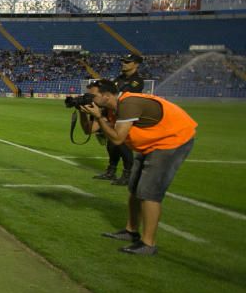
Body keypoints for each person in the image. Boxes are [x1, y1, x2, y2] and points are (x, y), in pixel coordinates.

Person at [80, 79, 196, 256]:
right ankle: (131, 231)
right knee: (134, 188)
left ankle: (148, 244)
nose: (89, 98)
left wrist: (99, 117)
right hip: (151, 143)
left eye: (92, 95)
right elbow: (89, 130)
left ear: (107, 95)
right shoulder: (109, 107)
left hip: (172, 140)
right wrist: (82, 112)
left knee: (149, 192)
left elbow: (118, 139)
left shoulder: (128, 104)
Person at [93, 53, 145, 186]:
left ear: (136, 64)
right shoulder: (118, 79)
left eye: (127, 62)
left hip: (127, 116)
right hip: (114, 115)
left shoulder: (137, 81)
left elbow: (121, 95)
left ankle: (128, 174)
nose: (124, 63)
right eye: (123, 61)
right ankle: (111, 170)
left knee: (122, 143)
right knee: (112, 144)